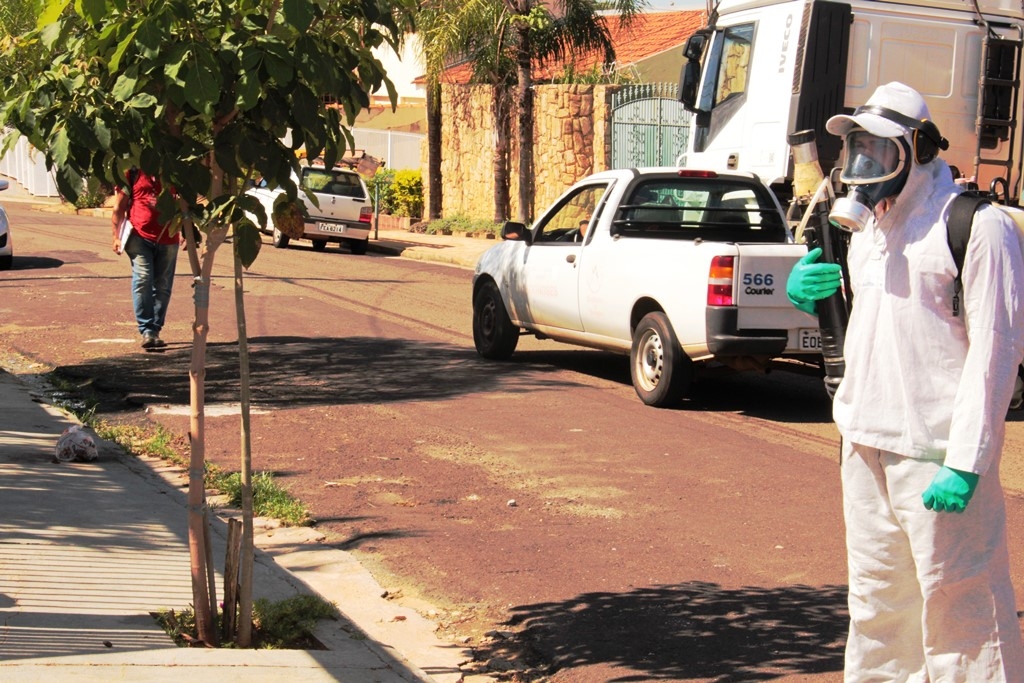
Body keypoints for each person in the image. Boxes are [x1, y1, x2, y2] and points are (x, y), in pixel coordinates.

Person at [786, 82, 1024, 681]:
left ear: (918, 150)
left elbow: (996, 349)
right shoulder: (867, 232)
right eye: (856, 151)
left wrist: (967, 460)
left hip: (936, 454)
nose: (863, 169)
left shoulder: (975, 225)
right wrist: (808, 296)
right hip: (865, 442)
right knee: (875, 605)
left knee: (962, 606)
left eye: (879, 152)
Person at [110, 169, 180, 350]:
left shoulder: (174, 170)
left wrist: (189, 233)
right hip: (138, 236)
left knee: (163, 285)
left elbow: (184, 204)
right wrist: (116, 236)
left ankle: (154, 329)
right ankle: (147, 329)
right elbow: (119, 206)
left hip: (169, 236)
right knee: (143, 279)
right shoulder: (133, 172)